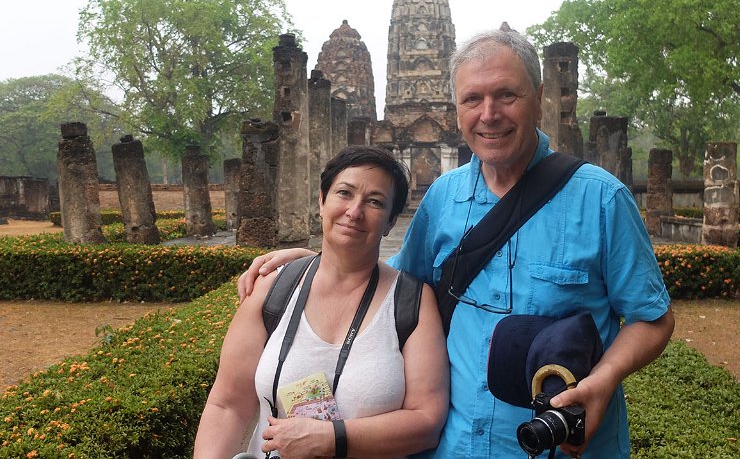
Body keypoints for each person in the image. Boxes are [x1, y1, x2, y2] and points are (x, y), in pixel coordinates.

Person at [238, 29, 674, 458]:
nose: (489, 114)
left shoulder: (602, 199)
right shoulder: (443, 199)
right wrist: (317, 259)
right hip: (455, 444)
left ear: (539, 97)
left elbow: (652, 319)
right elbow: (392, 283)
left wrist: (605, 377)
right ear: (457, 109)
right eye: (472, 99)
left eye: (507, 95)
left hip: (560, 445)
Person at [194, 146, 449, 459]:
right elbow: (227, 405)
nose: (354, 211)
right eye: (344, 193)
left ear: (391, 222)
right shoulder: (273, 288)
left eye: (375, 201)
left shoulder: (411, 302)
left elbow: (426, 421)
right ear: (322, 201)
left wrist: (331, 438)